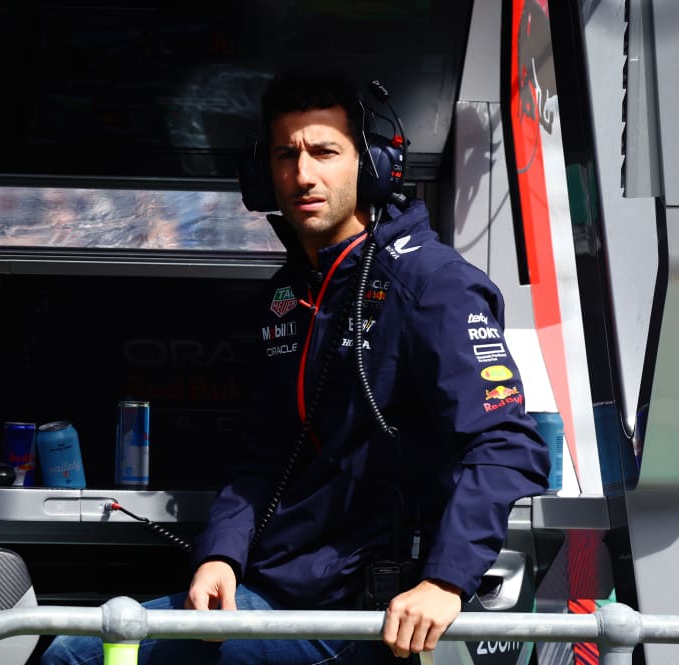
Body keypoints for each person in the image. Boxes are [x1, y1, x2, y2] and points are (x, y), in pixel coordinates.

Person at [41, 66, 551, 665]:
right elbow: (261, 457)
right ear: (263, 173)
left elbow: (508, 445)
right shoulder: (289, 296)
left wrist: (444, 582)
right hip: (278, 587)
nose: (302, 174)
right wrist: (220, 556)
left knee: (78, 656)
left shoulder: (432, 284)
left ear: (371, 165)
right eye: (286, 155)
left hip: (361, 613)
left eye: (324, 151)